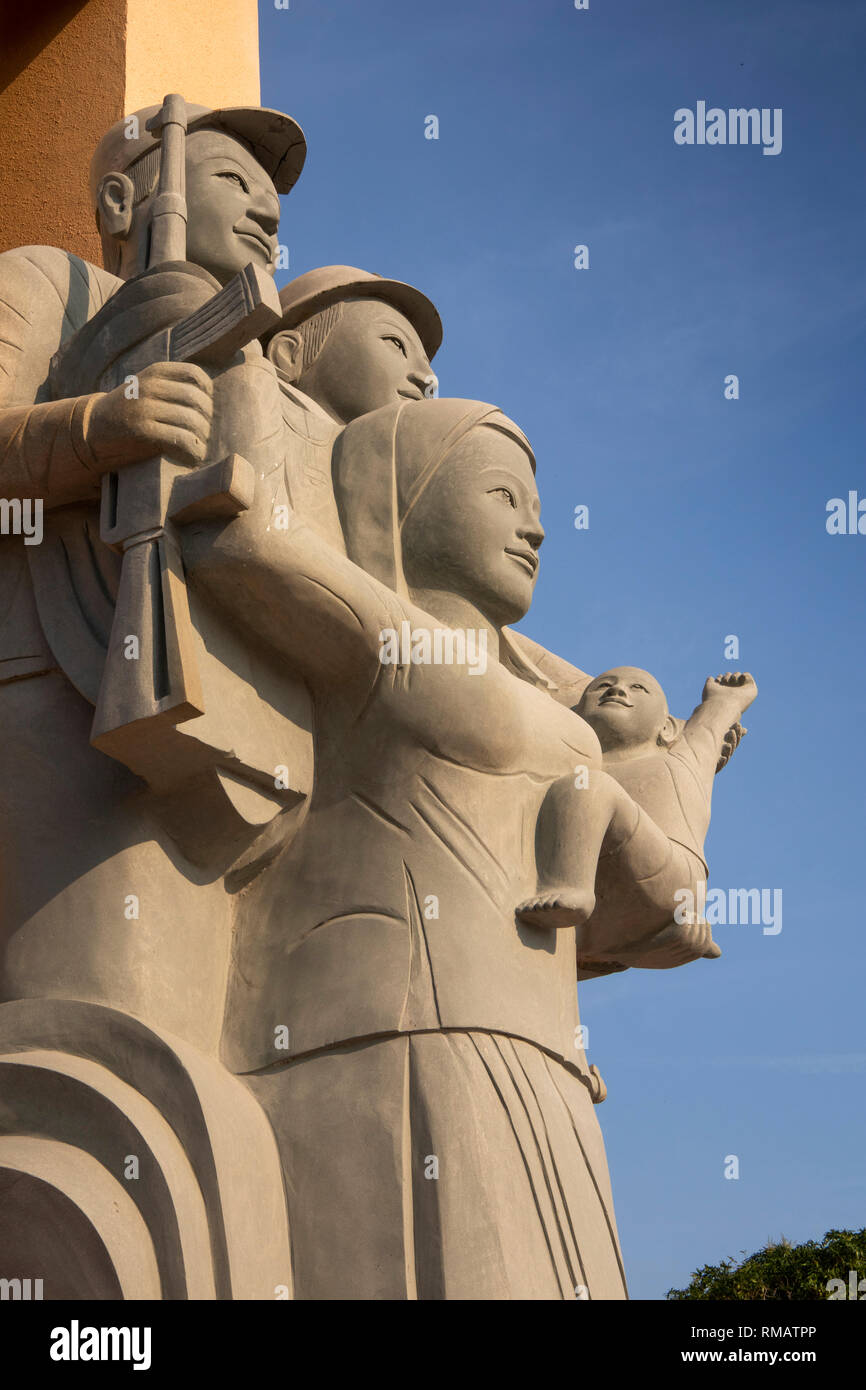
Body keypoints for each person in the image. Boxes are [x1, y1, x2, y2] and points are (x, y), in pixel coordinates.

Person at [180, 396, 708, 1298]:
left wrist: (696, 739)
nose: (536, 529)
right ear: (405, 499)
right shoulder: (392, 640)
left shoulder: (561, 721)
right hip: (388, 1030)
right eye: (503, 496)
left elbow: (679, 907)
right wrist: (247, 353)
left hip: (541, 1058)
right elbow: (241, 542)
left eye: (536, 507)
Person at [518, 667, 757, 970]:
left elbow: (707, 731)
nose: (617, 691)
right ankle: (633, 945)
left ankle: (573, 892)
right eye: (603, 685)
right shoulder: (560, 769)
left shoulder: (679, 760)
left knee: (591, 786)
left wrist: (725, 700)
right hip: (602, 909)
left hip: (668, 873)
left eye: (638, 688)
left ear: (668, 728)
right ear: (575, 717)